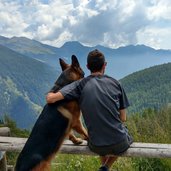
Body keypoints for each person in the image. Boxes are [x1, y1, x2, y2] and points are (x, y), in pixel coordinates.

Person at [46, 49, 133, 171]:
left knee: (101, 136)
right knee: (124, 134)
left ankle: (104, 167)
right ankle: (106, 166)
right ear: (105, 65)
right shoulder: (116, 83)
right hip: (119, 143)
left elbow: (50, 99)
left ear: (87, 67)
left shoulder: (79, 85)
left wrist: (57, 84)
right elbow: (123, 118)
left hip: (95, 145)